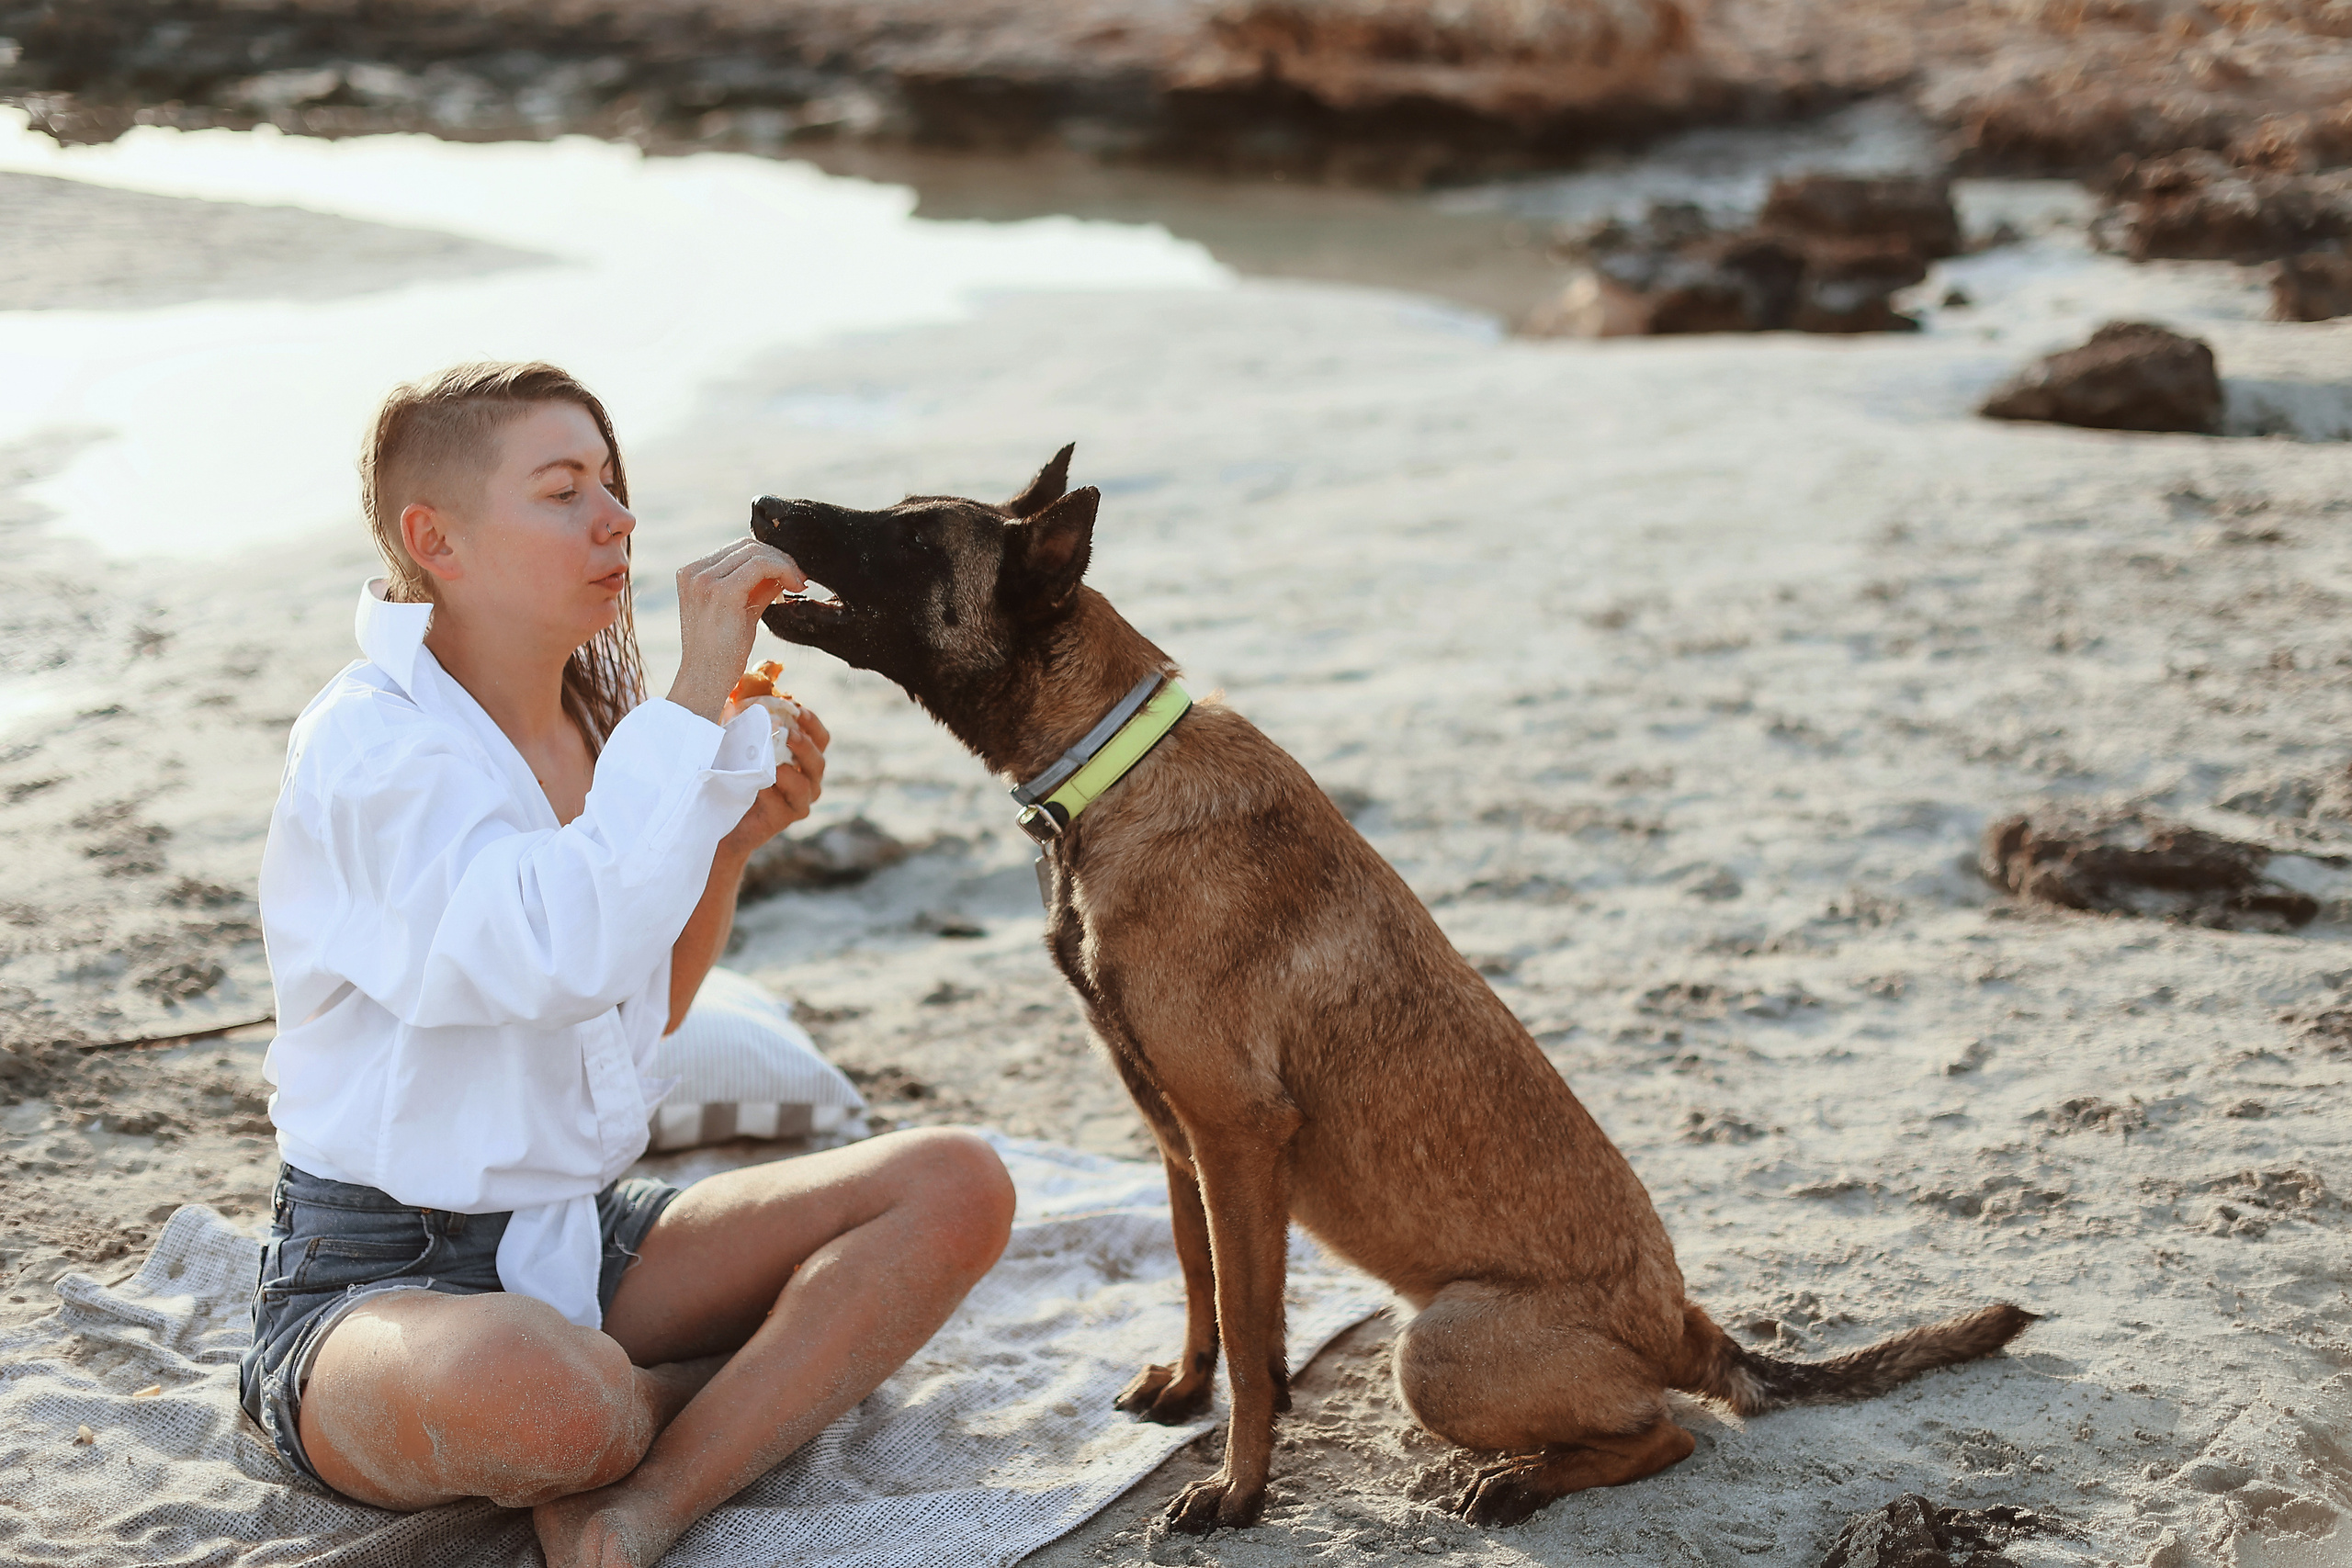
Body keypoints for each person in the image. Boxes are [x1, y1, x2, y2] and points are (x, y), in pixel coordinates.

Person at [240, 362, 1015, 1568]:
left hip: (576, 1235)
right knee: (554, 1405)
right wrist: (698, 693)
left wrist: (730, 845)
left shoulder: (598, 729)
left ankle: (648, 1499)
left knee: (956, 1182)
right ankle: (723, 1388)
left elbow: (624, 1018)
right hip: (378, 1280)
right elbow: (556, 954)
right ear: (434, 540)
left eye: (611, 482)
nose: (617, 519)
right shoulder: (371, 747)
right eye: (564, 491)